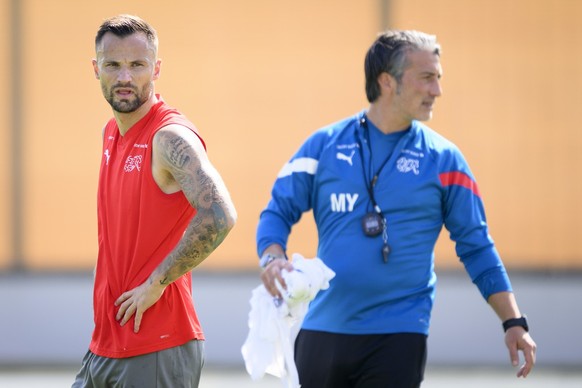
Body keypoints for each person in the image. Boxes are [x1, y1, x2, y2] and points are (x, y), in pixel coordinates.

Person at [256, 30, 536, 388]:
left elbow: (476, 245)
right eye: (426, 78)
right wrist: (272, 258)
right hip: (322, 331)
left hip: (399, 335)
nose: (437, 90)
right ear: (387, 81)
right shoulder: (323, 146)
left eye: (438, 78)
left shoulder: (445, 160)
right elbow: (276, 212)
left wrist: (513, 321)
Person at [72, 14, 237, 388]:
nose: (125, 77)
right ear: (96, 69)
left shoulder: (170, 137)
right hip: (106, 342)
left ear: (156, 69)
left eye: (137, 65)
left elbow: (220, 214)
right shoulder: (111, 132)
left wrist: (158, 283)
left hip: (157, 343)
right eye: (113, 65)